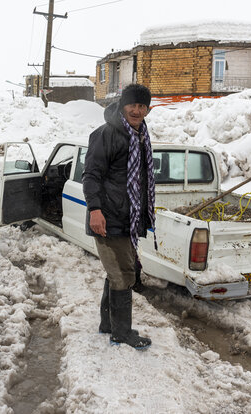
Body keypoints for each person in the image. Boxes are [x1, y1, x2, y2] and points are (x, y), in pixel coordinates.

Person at [82, 83, 156, 350]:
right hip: (108, 216)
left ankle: (108, 324)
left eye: (141, 106)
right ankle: (121, 333)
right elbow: (91, 175)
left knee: (117, 272)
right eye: (132, 105)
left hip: (128, 217)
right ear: (122, 106)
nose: (136, 110)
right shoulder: (106, 134)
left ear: (148, 109)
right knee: (124, 274)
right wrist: (95, 210)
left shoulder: (140, 136)